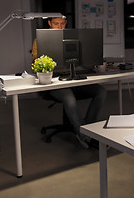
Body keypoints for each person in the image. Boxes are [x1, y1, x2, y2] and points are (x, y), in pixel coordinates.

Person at [33, 17, 107, 149]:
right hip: (54, 83)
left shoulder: (73, 38)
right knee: (69, 97)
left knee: (100, 91)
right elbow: (36, 62)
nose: (60, 26)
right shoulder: (40, 39)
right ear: (49, 23)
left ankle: (87, 130)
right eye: (56, 24)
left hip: (73, 79)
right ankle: (85, 137)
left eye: (62, 24)